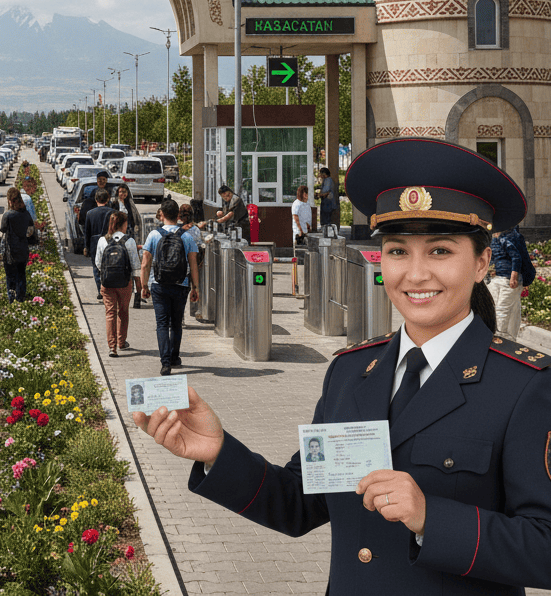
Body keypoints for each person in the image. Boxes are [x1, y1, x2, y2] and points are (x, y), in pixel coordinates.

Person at [134, 138, 551, 595]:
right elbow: (299, 503)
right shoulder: (353, 371)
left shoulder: (524, 386)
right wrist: (218, 452)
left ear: (481, 262)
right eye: (397, 251)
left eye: (440, 251)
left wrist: (431, 518)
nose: (415, 274)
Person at [140, 198, 200, 375]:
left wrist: (144, 286)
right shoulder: (187, 236)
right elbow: (193, 264)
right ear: (178, 216)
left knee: (162, 324)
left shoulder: (153, 235)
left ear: (162, 215)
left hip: (159, 284)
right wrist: (195, 287)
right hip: (181, 284)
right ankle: (175, 357)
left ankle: (165, 363)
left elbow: (145, 263)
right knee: (176, 324)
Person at [95, 210, 141, 357]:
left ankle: (112, 347)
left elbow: (98, 263)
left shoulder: (102, 240)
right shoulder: (129, 241)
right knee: (123, 311)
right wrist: (137, 284)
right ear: (123, 224)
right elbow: (135, 265)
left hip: (107, 283)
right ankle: (121, 342)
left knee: (110, 313)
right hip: (124, 283)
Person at [488, 225, 526, 340]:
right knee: (501, 307)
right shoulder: (495, 240)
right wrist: (492, 269)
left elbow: (516, 257)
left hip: (509, 280)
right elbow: (493, 258)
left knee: (502, 309)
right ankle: (509, 338)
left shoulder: (509, 238)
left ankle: (500, 339)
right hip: (499, 278)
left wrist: (513, 277)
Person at [0, 186, 34, 303]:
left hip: (10, 250)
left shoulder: (8, 215)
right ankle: (21, 298)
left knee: (10, 276)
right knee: (21, 274)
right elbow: (31, 231)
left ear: (10, 201)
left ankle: (12, 297)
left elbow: (3, 229)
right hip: (23, 248)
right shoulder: (26, 214)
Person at [84, 188, 113, 299]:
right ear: (108, 199)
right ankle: (108, 289)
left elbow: (87, 232)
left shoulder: (90, 213)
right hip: (110, 243)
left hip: (94, 244)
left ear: (96, 199)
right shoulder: (113, 213)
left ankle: (100, 290)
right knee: (108, 266)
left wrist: (86, 247)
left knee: (97, 268)